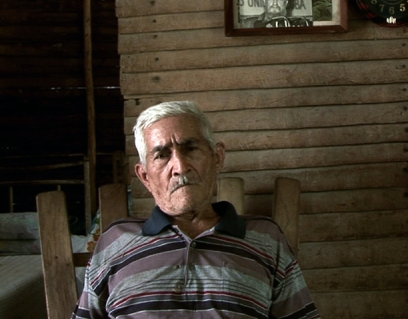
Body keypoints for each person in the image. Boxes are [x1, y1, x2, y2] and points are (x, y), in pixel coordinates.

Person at [72, 101, 319, 319]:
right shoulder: (116, 242)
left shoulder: (265, 239)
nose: (180, 167)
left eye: (190, 149)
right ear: (145, 176)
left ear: (217, 157)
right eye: (162, 155)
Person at [245, 0, 312, 28]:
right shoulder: (249, 24)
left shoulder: (293, 25)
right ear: (265, 1)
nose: (275, 3)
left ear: (286, 3)